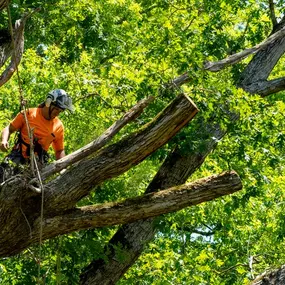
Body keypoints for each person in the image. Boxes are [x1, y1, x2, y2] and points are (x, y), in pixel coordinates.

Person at [0, 89, 74, 178]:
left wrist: (63, 168)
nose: (57, 113)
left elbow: (59, 151)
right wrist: (4, 140)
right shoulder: (28, 114)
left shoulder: (59, 126)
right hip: (17, 156)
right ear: (48, 102)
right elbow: (9, 128)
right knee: (3, 175)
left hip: (38, 164)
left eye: (60, 111)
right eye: (56, 109)